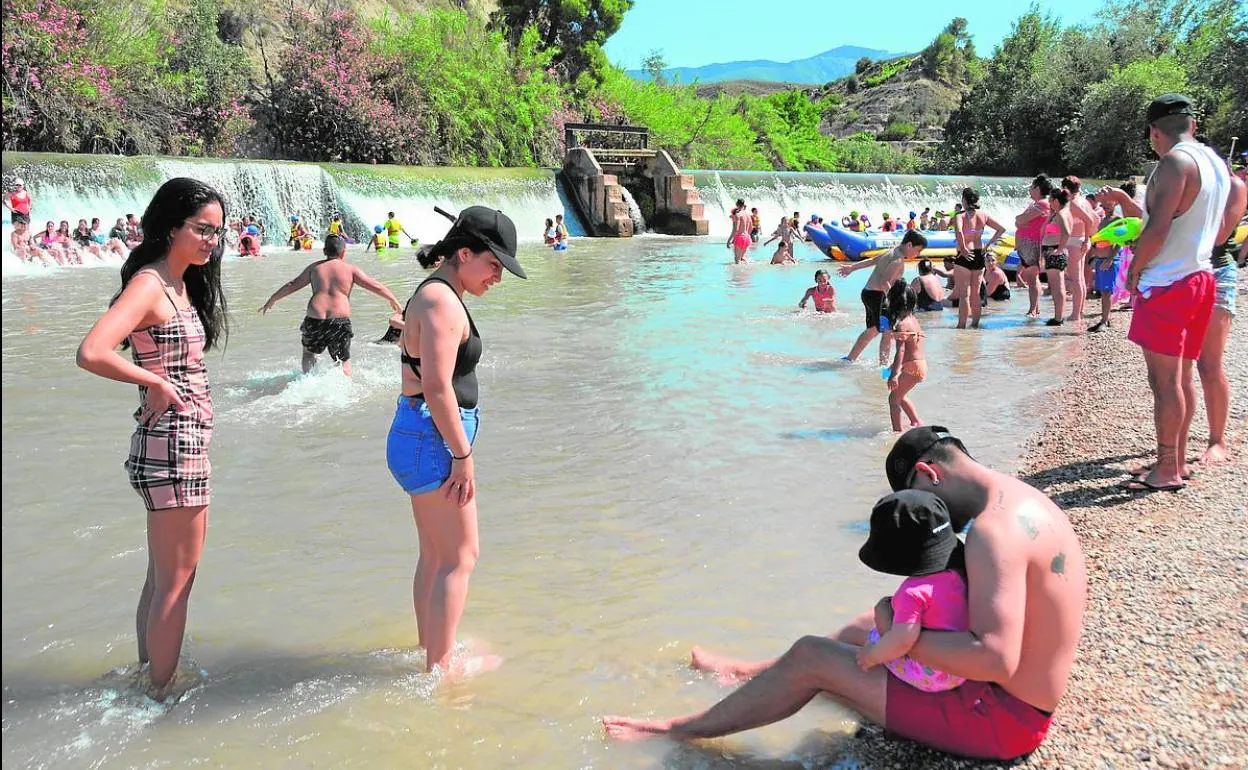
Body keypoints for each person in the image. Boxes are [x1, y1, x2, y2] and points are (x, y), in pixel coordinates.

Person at [603, 426, 1087, 763]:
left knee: (814, 655)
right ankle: (750, 674)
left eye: (922, 497)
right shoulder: (1021, 498)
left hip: (1001, 720)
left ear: (929, 472)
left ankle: (679, 729)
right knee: (866, 622)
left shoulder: (992, 534)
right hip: (1012, 698)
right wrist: (886, 626)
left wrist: (897, 637)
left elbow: (995, 660)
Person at [75, 178, 229, 700]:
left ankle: (150, 677)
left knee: (161, 577)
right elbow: (92, 351)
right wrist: (154, 381)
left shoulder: (178, 283)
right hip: (172, 445)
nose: (212, 240)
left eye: (218, 231)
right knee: (177, 582)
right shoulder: (149, 285)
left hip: (179, 442)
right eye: (202, 229)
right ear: (170, 227)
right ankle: (161, 696)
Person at [387, 206, 526, 679]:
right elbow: (439, 388)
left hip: (419, 435)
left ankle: (431, 649)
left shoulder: (433, 294)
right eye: (494, 265)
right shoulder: (443, 302)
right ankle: (442, 671)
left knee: (435, 554)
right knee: (461, 557)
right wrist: (463, 456)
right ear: (463, 253)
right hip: (436, 440)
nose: (498, 277)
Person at [1097, 94, 1234, 492]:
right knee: (1182, 378)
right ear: (1192, 123)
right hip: (1201, 277)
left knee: (1165, 383)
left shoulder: (1174, 162)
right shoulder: (1214, 162)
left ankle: (1168, 469)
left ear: (1155, 131)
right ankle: (1172, 460)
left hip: (1169, 283)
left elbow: (1156, 230)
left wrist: (1134, 272)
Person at [856, 490, 968, 692]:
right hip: (962, 667)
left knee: (881, 616)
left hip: (932, 675)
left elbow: (902, 640)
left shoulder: (912, 592)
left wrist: (871, 656)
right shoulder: (960, 573)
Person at [259, 235, 402, 377]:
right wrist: (392, 299)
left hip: (315, 318)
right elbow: (375, 285)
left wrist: (273, 299)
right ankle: (345, 388)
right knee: (342, 359)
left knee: (309, 354)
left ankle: (310, 381)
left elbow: (293, 284)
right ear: (344, 252)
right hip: (339, 320)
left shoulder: (315, 268)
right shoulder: (351, 270)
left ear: (324, 251)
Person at [1194, 148, 1247, 464]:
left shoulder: (1235, 187)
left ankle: (1217, 440)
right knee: (1180, 364)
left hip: (1218, 274)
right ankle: (1172, 448)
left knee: (1208, 364)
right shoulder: (1191, 187)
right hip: (1185, 273)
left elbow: (1220, 236)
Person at [839, 230, 928, 363]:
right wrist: (897, 302)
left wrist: (852, 268)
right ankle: (883, 366)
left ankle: (850, 358)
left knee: (872, 330)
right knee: (887, 332)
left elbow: (873, 260)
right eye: (918, 250)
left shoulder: (891, 251)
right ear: (909, 245)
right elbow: (884, 282)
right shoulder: (898, 260)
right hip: (878, 296)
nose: (918, 254)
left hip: (868, 293)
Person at [951, 188, 1005, 329]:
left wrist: (962, 248)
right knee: (975, 293)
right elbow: (1001, 229)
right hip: (979, 254)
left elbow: (959, 231)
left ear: (964, 200)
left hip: (965, 255)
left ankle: (961, 326)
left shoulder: (960, 215)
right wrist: (988, 244)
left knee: (964, 294)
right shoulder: (983, 215)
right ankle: (975, 324)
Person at [884, 279, 926, 432]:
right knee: (899, 395)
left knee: (893, 399)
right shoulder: (913, 320)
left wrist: (894, 374)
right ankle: (915, 421)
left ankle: (897, 432)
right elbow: (912, 347)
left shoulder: (901, 324)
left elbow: (900, 351)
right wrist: (894, 367)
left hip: (911, 366)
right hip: (919, 364)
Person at [1060, 176, 1100, 322]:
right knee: (1080, 278)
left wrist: (1087, 238)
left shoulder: (1073, 203)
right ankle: (1079, 311)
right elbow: (1096, 218)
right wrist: (1089, 237)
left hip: (1075, 242)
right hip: (1080, 240)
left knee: (1075, 279)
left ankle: (1076, 314)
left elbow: (1090, 220)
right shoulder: (1084, 201)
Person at [1015, 175, 1053, 317]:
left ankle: (1033, 310)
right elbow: (1020, 221)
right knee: (1032, 277)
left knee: (1032, 277)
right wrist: (1020, 221)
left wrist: (1020, 220)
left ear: (1037, 188)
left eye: (1031, 188)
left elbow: (1021, 219)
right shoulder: (1038, 204)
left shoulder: (1042, 204)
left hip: (1032, 244)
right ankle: (1035, 308)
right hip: (1029, 243)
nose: (1030, 190)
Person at [1040, 189, 1074, 326]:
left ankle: (1058, 318)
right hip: (1052, 250)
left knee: (1057, 286)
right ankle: (1057, 316)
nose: (1048, 202)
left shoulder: (1061, 214)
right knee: (1055, 286)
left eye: (1050, 200)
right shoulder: (1059, 213)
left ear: (1056, 200)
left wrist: (1059, 250)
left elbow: (1067, 233)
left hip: (1055, 251)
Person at [727, 199, 751, 264]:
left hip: (740, 237)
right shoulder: (748, 215)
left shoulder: (738, 215)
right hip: (747, 237)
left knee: (737, 260)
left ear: (737, 204)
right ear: (743, 205)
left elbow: (736, 229)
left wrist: (729, 240)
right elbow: (751, 227)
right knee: (742, 258)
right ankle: (746, 270)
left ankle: (738, 273)